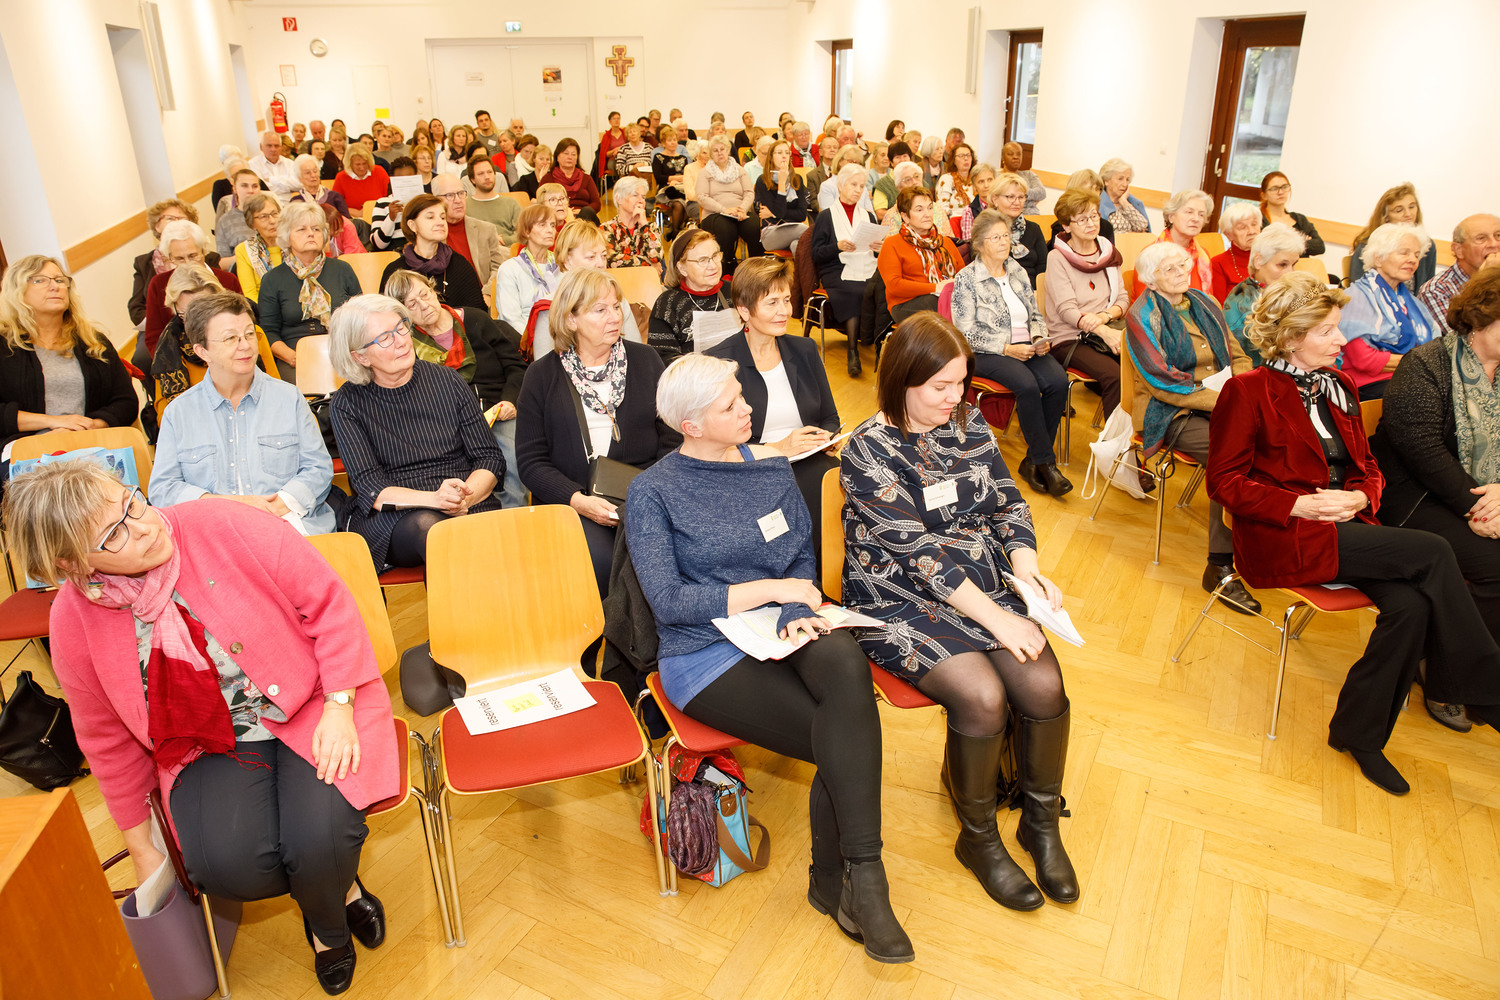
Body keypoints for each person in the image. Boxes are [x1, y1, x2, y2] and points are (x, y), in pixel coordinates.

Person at [3, 462, 398, 997]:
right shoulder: (73, 621)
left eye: (132, 502)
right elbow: (106, 739)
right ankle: (330, 886)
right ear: (73, 563)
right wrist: (140, 845)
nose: (144, 525)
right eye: (115, 533)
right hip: (203, 744)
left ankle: (328, 927)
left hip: (312, 705)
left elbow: (330, 607)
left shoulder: (225, 523)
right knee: (226, 868)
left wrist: (339, 704)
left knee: (318, 841)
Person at [626, 353, 914, 964]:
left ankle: (856, 877)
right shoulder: (653, 492)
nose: (748, 408)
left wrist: (792, 606)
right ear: (691, 426)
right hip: (702, 650)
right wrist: (769, 592)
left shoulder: (770, 467)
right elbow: (670, 602)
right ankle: (848, 882)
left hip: (779, 623)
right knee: (843, 735)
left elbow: (800, 555)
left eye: (742, 394)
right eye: (730, 405)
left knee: (845, 665)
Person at [1209, 272, 1500, 794]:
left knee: (1412, 606)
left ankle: (1357, 734)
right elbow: (1224, 482)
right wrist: (1299, 504)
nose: (1341, 339)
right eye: (1327, 330)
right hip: (1285, 536)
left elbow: (1369, 466)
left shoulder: (1339, 385)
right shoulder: (1246, 390)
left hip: (1347, 528)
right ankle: (1485, 687)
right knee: (1434, 551)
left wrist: (1363, 497)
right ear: (1291, 337)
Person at [840, 314, 1078, 912]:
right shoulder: (867, 449)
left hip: (981, 581)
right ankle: (978, 839)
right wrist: (998, 619)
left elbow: (1007, 503)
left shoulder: (969, 425)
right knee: (983, 695)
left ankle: (1039, 825)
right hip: (896, 595)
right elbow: (918, 553)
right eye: (940, 387)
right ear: (901, 380)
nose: (955, 398)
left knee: (1043, 685)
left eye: (961, 383)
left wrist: (1026, 568)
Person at [515, 268, 678, 592]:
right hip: (575, 504)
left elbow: (672, 438)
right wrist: (577, 500)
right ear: (571, 319)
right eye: (600, 310)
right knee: (600, 563)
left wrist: (647, 494)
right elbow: (531, 462)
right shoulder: (541, 376)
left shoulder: (646, 360)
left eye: (616, 307)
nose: (614, 317)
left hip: (646, 495)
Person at [327, 294, 504, 568]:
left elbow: (489, 457)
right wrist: (435, 500)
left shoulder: (447, 380)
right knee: (433, 530)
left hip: (466, 499)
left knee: (481, 535)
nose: (401, 341)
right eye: (385, 338)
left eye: (401, 328)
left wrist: (462, 499)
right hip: (399, 514)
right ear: (360, 356)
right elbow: (372, 488)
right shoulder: (346, 404)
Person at [1128, 241, 1256, 611]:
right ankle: (1220, 566)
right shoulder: (1141, 316)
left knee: (1266, 446)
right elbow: (1162, 382)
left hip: (1224, 400)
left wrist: (1241, 391)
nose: (1182, 272)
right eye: (1170, 269)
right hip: (1170, 412)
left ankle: (1257, 544)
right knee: (1228, 456)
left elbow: (1238, 356)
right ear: (1151, 280)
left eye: (1184, 264)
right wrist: (1227, 400)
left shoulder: (1206, 302)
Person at [151, 292, 337, 533]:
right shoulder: (179, 413)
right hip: (214, 531)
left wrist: (276, 507)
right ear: (202, 351)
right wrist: (223, 506)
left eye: (249, 334)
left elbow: (318, 468)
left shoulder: (289, 398)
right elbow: (163, 488)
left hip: (287, 524)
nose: (246, 345)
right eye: (231, 338)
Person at [707, 257, 839, 550]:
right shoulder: (718, 362)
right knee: (799, 503)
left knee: (842, 491)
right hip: (753, 467)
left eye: (787, 300)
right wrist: (778, 448)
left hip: (811, 459)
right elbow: (716, 445)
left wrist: (827, 438)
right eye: (772, 303)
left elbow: (829, 416)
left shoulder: (804, 349)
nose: (784, 311)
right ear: (744, 310)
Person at [384, 269, 528, 509]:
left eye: (424, 294)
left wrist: (510, 400)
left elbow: (516, 366)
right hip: (445, 424)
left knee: (512, 457)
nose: (424, 305)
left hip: (497, 411)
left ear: (434, 290)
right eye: (412, 304)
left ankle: (512, 518)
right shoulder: (406, 345)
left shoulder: (474, 319)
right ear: (402, 314)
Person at [953, 210, 1071, 496]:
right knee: (1027, 385)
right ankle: (1046, 463)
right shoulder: (966, 278)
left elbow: (1035, 313)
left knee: (1058, 381)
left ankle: (1032, 461)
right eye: (995, 237)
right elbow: (964, 332)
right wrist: (1006, 348)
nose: (1003, 241)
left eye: (1006, 235)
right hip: (988, 351)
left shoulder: (1017, 270)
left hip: (1026, 345)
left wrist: (1039, 337)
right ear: (979, 244)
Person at [0, 256, 136, 463]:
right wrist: (53, 422)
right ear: (17, 291)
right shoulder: (4, 347)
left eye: (59, 280)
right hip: (26, 449)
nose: (55, 286)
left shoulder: (93, 342)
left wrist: (90, 426)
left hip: (90, 444)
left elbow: (126, 402)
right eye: (40, 280)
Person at [1043, 189, 1127, 417]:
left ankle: (1139, 433)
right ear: (1066, 226)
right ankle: (1114, 439)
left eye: (1094, 216)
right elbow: (1067, 310)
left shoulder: (1108, 252)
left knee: (1145, 369)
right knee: (1116, 376)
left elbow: (1122, 299)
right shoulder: (1057, 258)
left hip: (1106, 329)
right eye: (1082, 219)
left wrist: (1103, 318)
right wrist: (1102, 330)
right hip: (1070, 338)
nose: (1091, 223)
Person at [259, 202, 363, 379]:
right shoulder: (272, 279)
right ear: (287, 237)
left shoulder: (343, 269)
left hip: (342, 351)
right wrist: (293, 358)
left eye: (316, 229)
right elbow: (268, 332)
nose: (310, 233)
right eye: (301, 229)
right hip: (295, 356)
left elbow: (360, 319)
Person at [1339, 223, 1441, 400]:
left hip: (1408, 379)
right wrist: (1420, 362)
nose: (1413, 260)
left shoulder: (1410, 302)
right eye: (1404, 253)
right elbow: (1364, 360)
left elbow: (1433, 349)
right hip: (1367, 386)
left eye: (1416, 255)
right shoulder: (1356, 298)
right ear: (1378, 258)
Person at [530, 220, 644, 359]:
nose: (600, 264)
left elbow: (637, 356)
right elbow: (544, 368)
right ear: (567, 260)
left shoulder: (617, 302)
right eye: (591, 257)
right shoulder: (550, 308)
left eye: (603, 256)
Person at [810, 164, 883, 376]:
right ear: (840, 186)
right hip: (836, 267)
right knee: (855, 291)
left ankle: (879, 346)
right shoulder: (826, 216)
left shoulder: (869, 216)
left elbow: (875, 253)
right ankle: (852, 352)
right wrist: (837, 246)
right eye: (853, 184)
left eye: (862, 186)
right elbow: (816, 254)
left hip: (866, 264)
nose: (858, 190)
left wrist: (878, 249)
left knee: (882, 288)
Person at [142, 223, 242, 366]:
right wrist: (173, 366)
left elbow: (241, 323)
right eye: (180, 259)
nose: (188, 263)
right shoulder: (158, 285)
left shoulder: (228, 280)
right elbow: (154, 337)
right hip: (181, 362)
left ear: (204, 251)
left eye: (192, 256)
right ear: (170, 258)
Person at [376, 193, 487, 312]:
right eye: (430, 217)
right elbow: (386, 316)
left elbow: (478, 314)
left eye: (443, 217)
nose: (440, 222)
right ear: (412, 226)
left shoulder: (459, 264)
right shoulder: (395, 272)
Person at [130, 201, 223, 329]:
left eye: (182, 219)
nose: (176, 223)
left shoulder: (211, 259)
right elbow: (136, 309)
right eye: (170, 218)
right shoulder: (145, 265)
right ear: (157, 226)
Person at [1223, 223, 1306, 363]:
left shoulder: (1284, 291)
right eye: (1282, 265)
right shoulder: (1242, 302)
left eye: (1293, 264)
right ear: (1258, 261)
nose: (1290, 272)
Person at [878, 187, 961, 324]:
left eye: (930, 208)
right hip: (906, 304)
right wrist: (936, 288)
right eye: (919, 210)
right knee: (941, 302)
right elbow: (895, 285)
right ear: (905, 216)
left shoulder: (945, 242)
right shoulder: (892, 244)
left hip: (945, 297)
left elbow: (963, 275)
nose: (927, 214)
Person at [648, 230, 734, 361]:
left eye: (715, 256)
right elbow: (663, 359)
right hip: (693, 373)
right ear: (682, 268)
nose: (713, 266)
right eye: (702, 260)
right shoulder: (667, 304)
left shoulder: (736, 292)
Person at [150, 265, 224, 415]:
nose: (196, 322)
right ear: (175, 309)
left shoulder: (248, 334)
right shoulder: (168, 349)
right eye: (186, 315)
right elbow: (165, 416)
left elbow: (271, 391)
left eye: (204, 311)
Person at [1419, 214, 1500, 335]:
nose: (1494, 244)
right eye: (1481, 238)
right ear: (1459, 250)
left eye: (1498, 236)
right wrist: (1486, 281)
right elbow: (1464, 340)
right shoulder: (1436, 291)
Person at [1350, 183, 1438, 290]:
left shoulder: (1427, 245)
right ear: (1386, 217)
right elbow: (1357, 286)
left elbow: (1427, 288)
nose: (1408, 214)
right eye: (1399, 210)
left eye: (1412, 207)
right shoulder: (1368, 245)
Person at [492, 203, 561, 335]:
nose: (550, 230)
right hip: (523, 339)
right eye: (542, 225)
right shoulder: (510, 269)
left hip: (562, 338)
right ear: (526, 231)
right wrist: (537, 340)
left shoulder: (562, 265)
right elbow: (510, 320)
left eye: (552, 225)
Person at [697, 135, 761, 273]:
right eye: (715, 150)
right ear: (710, 154)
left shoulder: (739, 170)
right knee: (726, 228)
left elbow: (749, 192)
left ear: (728, 150)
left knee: (754, 225)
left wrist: (742, 209)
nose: (720, 153)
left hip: (740, 212)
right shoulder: (705, 172)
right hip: (714, 214)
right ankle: (727, 268)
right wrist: (723, 209)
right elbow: (702, 197)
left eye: (722, 149)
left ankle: (756, 268)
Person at [1133, 190, 1214, 299]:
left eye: (1201, 214)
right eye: (1189, 212)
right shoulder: (1151, 255)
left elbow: (1209, 301)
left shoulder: (1203, 256)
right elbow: (1145, 300)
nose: (1196, 219)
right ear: (1171, 217)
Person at [429, 174, 503, 291]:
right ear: (436, 200)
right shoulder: (430, 234)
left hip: (483, 294)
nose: (458, 200)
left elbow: (498, 268)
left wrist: (488, 293)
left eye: (461, 193)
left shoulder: (486, 229)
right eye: (450, 195)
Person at [987, 172, 1049, 288]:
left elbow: (1043, 267)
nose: (1017, 202)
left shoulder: (1034, 229)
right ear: (995, 199)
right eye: (1010, 197)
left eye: (1021, 197)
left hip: (1032, 290)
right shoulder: (986, 229)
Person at [754, 140, 810, 252]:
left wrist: (773, 214)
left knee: (797, 246)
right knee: (808, 231)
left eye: (787, 153)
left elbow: (802, 215)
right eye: (779, 153)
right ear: (771, 157)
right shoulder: (763, 180)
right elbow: (780, 212)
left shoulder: (797, 179)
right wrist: (782, 183)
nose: (784, 156)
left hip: (794, 228)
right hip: (771, 232)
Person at [1257, 172, 1324, 257]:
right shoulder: (1259, 220)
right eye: (1274, 189)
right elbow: (1268, 248)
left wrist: (1283, 243)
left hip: (1302, 265)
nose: (1280, 192)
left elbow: (1319, 246)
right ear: (1264, 195)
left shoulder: (1300, 219)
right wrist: (1302, 241)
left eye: (1284, 187)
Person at [601, 177, 662, 269]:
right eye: (635, 195)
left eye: (643, 197)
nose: (640, 201)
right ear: (619, 199)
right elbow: (612, 261)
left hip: (646, 277)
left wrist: (644, 224)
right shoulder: (606, 229)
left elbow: (656, 257)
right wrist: (650, 264)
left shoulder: (651, 227)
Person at [233, 194, 283, 304]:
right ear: (252, 223)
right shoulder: (244, 250)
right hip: (265, 309)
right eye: (264, 217)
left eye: (274, 214)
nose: (272, 221)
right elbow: (250, 295)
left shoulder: (293, 243)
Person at [456, 156, 517, 247]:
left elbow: (524, 233)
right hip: (478, 251)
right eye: (481, 174)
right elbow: (461, 237)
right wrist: (489, 240)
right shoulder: (464, 206)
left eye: (489, 172)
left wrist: (503, 240)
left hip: (509, 250)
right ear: (472, 179)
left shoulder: (511, 203)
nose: (487, 177)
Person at [1209, 203, 1263, 304]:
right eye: (1242, 227)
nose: (1251, 231)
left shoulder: (1270, 258)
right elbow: (1218, 307)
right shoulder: (1218, 263)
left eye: (1254, 224)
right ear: (1229, 235)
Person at [544, 138, 602, 223]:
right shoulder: (548, 179)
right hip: (558, 217)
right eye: (566, 153)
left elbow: (596, 203)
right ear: (557, 157)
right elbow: (542, 202)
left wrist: (581, 211)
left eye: (573, 154)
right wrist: (565, 211)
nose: (570, 157)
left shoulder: (587, 178)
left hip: (584, 218)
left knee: (587, 212)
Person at [213, 169, 263, 259]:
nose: (250, 190)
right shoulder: (225, 221)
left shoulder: (271, 214)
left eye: (255, 186)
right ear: (235, 189)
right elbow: (222, 261)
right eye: (244, 186)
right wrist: (246, 257)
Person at [289, 153, 350, 218]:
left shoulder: (334, 197)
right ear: (299, 178)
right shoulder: (296, 202)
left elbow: (347, 221)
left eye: (315, 171)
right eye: (307, 173)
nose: (313, 175)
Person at [331, 145, 390, 212]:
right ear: (350, 164)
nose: (362, 168)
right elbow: (335, 205)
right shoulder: (341, 177)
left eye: (364, 163)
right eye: (358, 164)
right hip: (351, 216)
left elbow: (389, 198)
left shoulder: (379, 172)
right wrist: (355, 212)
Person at [1098, 158, 1150, 233]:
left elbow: (1143, 226)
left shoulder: (1132, 202)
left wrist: (1124, 202)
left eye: (1127, 180)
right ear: (1106, 181)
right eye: (1120, 179)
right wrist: (1132, 234)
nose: (1125, 184)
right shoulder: (1099, 204)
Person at [248, 129, 299, 202]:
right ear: (261, 147)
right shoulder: (253, 164)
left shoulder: (290, 164)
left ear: (281, 147)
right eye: (269, 146)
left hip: (290, 203)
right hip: (265, 203)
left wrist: (271, 180)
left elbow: (297, 185)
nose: (273, 149)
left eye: (276, 146)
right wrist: (287, 186)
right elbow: (261, 189)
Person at [933, 143, 977, 222]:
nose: (966, 158)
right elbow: (941, 208)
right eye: (961, 156)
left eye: (968, 155)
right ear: (954, 160)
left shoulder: (976, 180)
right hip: (953, 222)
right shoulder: (947, 179)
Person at [999, 142, 1045, 216]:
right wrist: (1031, 201)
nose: (1015, 157)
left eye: (1019, 154)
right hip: (1007, 217)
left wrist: (1016, 194)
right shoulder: (996, 176)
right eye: (1010, 154)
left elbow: (1041, 193)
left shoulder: (1029, 174)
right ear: (1003, 157)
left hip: (1032, 215)